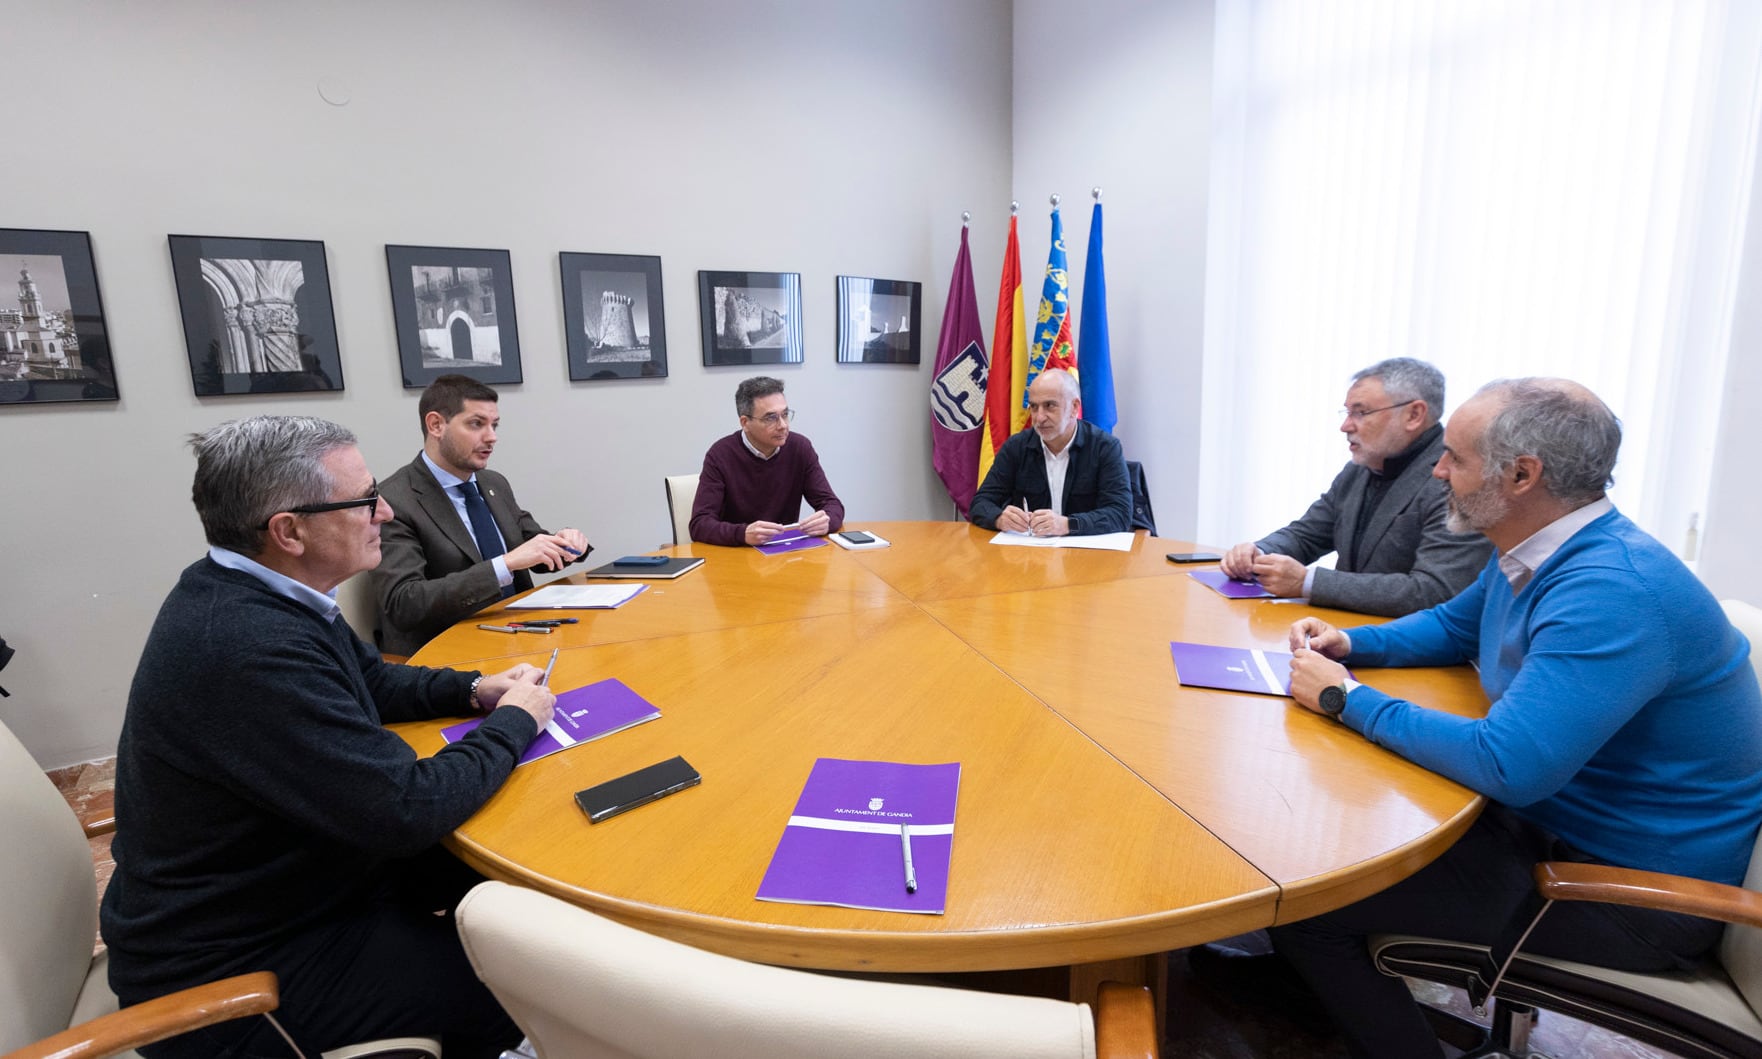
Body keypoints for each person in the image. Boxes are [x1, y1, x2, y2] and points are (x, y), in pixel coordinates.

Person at [1265, 378, 1762, 1058]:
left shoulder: (1613, 589)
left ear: (1523, 474)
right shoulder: (1537, 546)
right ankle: (1321, 1000)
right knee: (1332, 841)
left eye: (1455, 458)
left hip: (1623, 889)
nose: (1438, 470)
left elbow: (1510, 764)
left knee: (1310, 909)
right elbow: (1452, 625)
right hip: (1550, 827)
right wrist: (1351, 645)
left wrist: (1343, 697)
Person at [100, 415, 557, 1059]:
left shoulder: (264, 593)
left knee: (515, 903)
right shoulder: (245, 644)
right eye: (365, 498)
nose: (386, 510)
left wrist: (472, 689)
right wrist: (515, 722)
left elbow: (371, 681)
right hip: (236, 970)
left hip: (300, 891)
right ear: (289, 531)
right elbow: (405, 808)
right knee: (532, 983)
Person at [1220, 358, 1491, 616]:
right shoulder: (1361, 467)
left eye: (1361, 413)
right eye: (1348, 412)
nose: (1345, 426)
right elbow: (1308, 534)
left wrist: (1308, 582)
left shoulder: (1455, 477)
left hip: (1412, 650)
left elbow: (1433, 591)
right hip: (1347, 631)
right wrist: (1260, 552)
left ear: (1414, 415)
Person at [375, 374, 591, 656]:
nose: (492, 437)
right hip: (446, 653)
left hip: (521, 634)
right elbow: (404, 603)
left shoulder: (492, 483)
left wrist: (564, 542)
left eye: (494, 425)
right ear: (436, 425)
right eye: (476, 424)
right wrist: (505, 565)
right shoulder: (395, 500)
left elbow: (529, 544)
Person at [969, 368, 1131, 537]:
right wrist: (999, 518)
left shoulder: (1104, 447)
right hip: (1029, 555)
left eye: (1049, 406)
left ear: (1074, 407)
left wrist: (1067, 524)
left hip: (1085, 555)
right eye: (1034, 407)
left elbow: (1120, 513)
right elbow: (980, 503)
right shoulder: (1016, 447)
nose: (1039, 418)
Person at [690, 375, 845, 545]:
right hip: (738, 555)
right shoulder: (720, 454)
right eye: (771, 418)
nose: (783, 425)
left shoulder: (800, 448)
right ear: (745, 422)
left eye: (785, 415)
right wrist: (742, 534)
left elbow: (832, 504)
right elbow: (700, 524)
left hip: (786, 553)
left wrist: (827, 520)